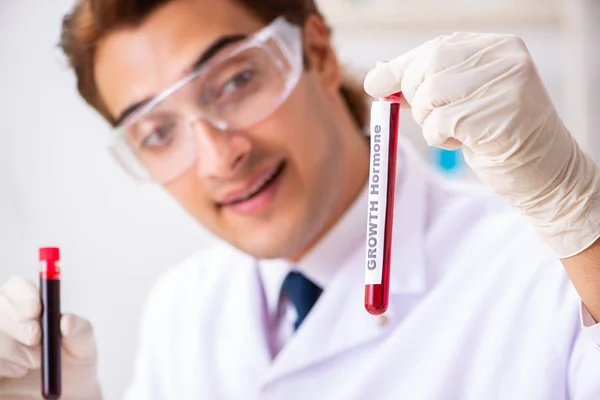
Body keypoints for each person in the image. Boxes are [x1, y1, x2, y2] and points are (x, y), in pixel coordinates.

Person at [1, 0, 600, 398]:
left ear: (316, 50)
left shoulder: (545, 270)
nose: (218, 157)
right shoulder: (183, 309)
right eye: (156, 132)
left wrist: (582, 220)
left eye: (235, 81)